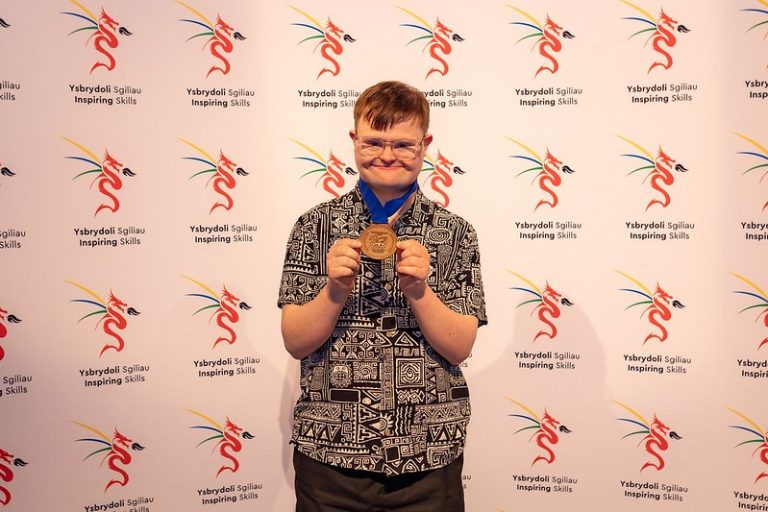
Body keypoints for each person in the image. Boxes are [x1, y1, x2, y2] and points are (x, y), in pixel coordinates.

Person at [278, 80, 487, 511]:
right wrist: (333, 291)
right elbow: (296, 341)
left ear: (425, 145)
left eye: (403, 144)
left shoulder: (456, 233)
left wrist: (420, 292)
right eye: (373, 141)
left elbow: (459, 345)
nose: (388, 155)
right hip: (331, 455)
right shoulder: (312, 227)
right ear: (353, 140)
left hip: (427, 455)